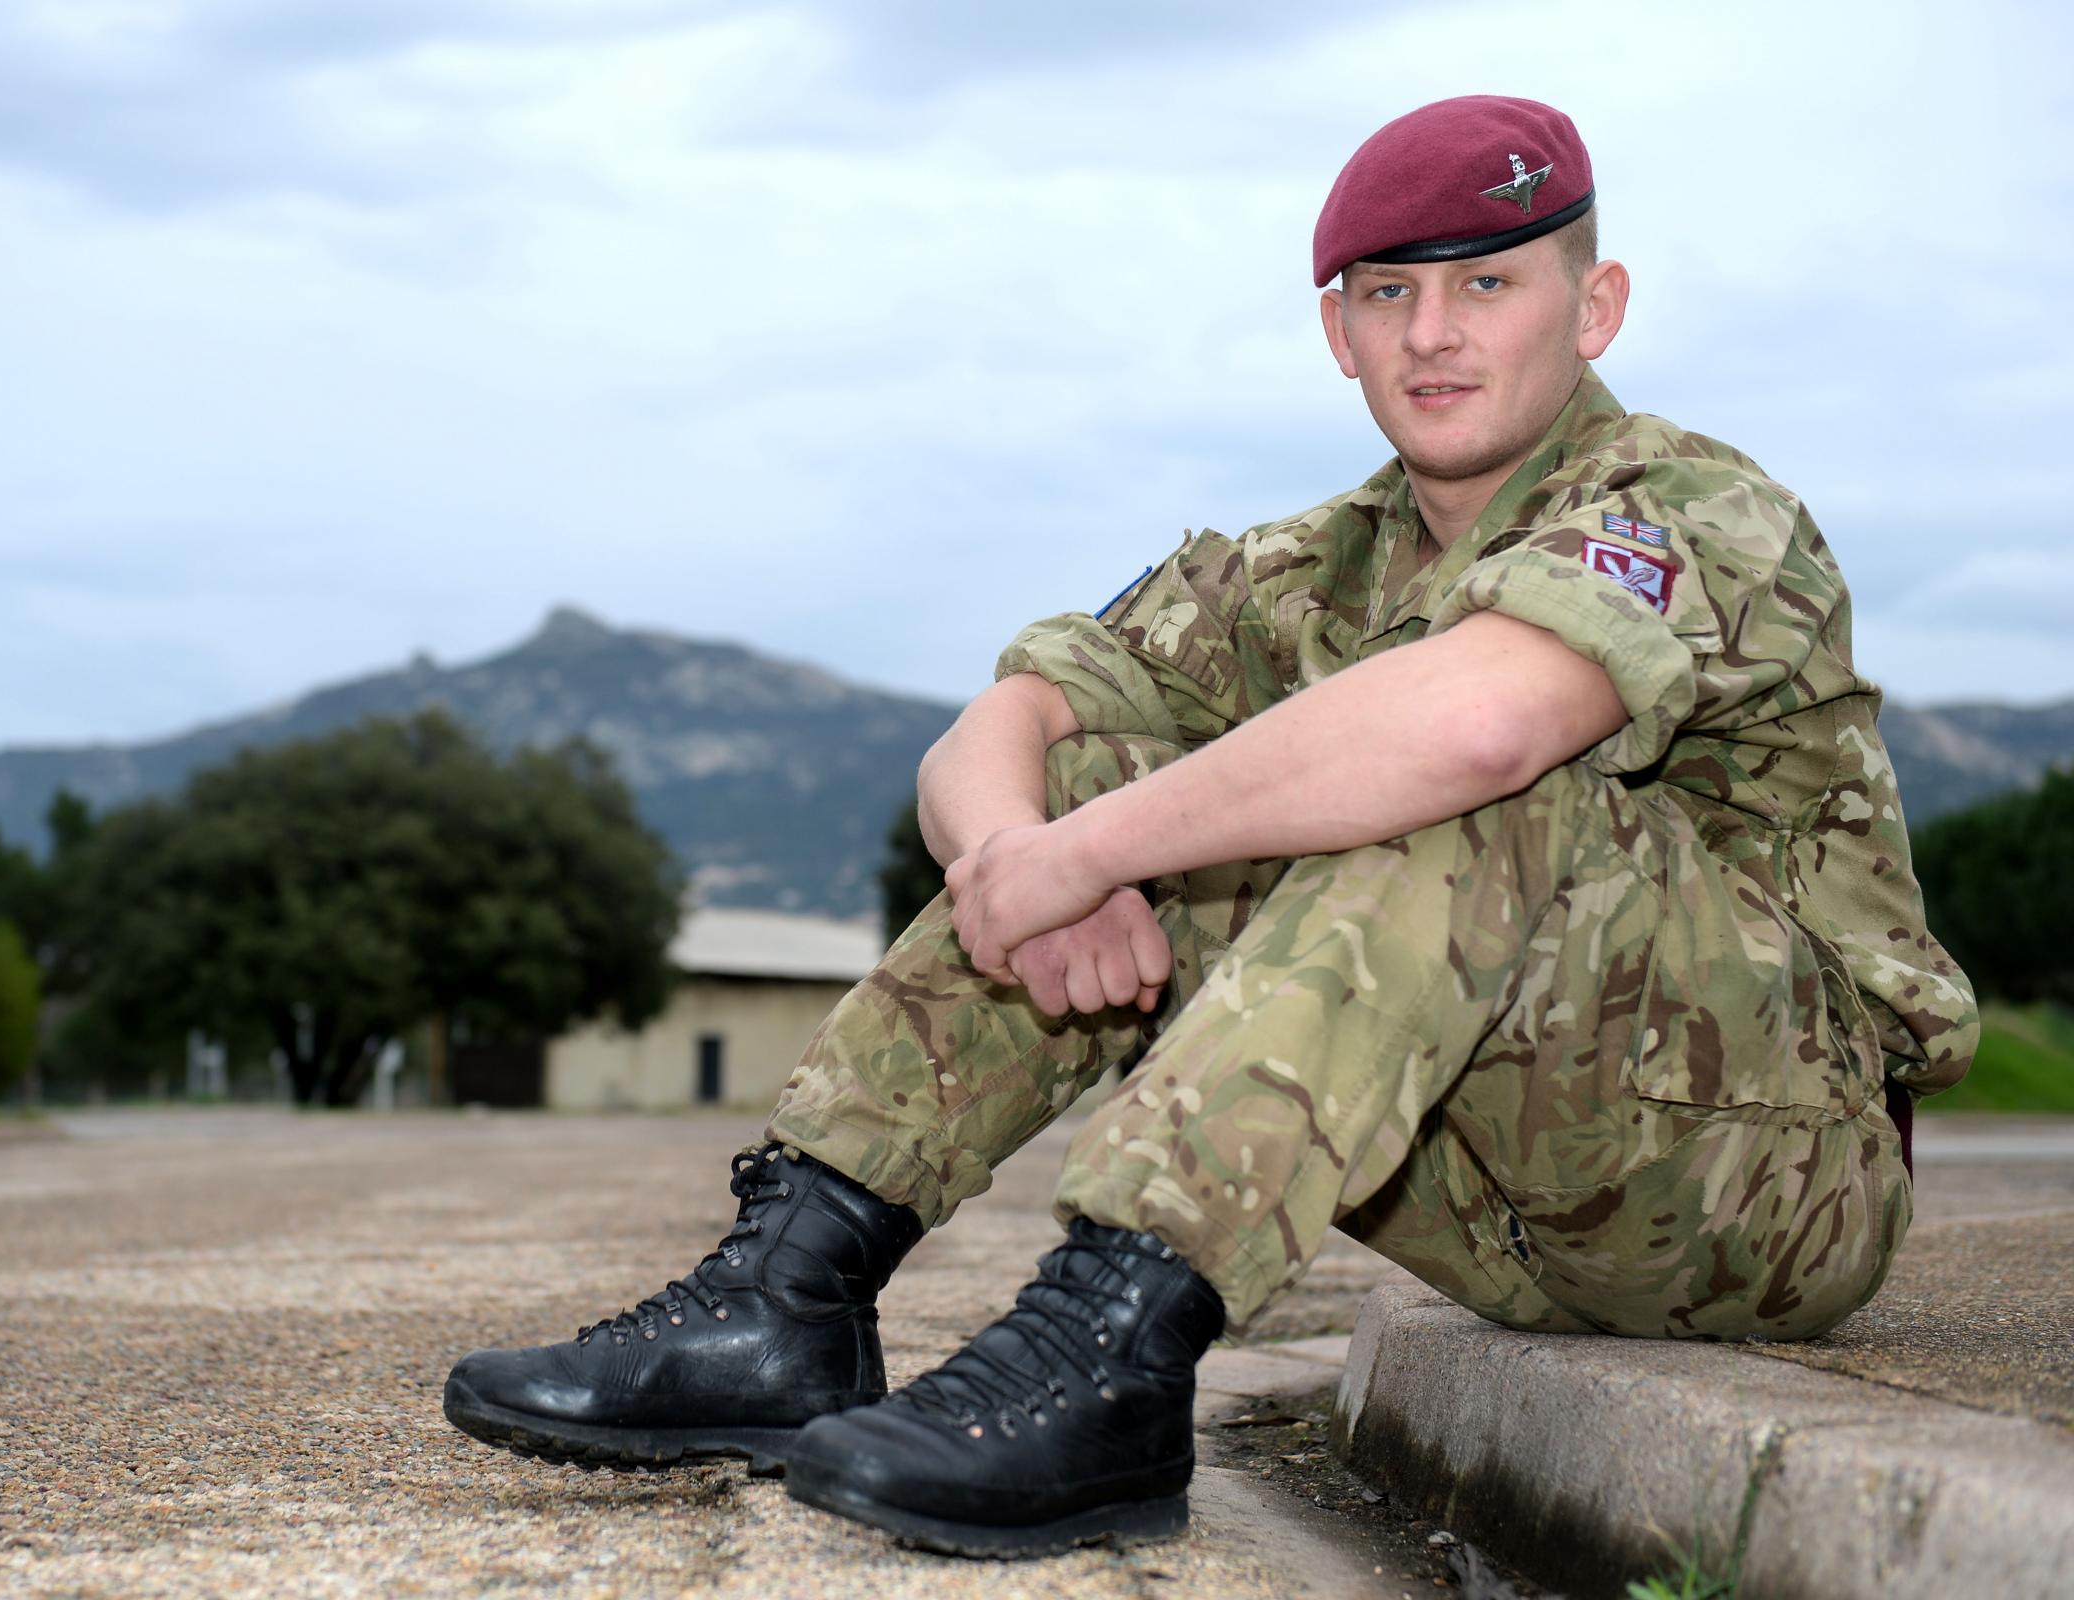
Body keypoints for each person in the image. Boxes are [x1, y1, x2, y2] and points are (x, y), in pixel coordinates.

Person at [443, 94, 1977, 1559]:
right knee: (1102, 777)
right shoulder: (1305, 567)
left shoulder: (1698, 509)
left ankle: (1111, 1342)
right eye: (1387, 294)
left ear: (1595, 308)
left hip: (1766, 1181)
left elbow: (1483, 721)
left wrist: (1104, 856)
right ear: (1338, 332)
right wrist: (1018, 864)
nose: (1433, 333)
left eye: (1489, 284)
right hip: (1476, 1185)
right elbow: (1005, 725)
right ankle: (789, 1293)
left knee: (1445, 772)